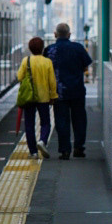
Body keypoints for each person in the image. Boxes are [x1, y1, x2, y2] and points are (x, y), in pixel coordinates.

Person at [46, 21, 93, 160]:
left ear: (55, 34)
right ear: (69, 34)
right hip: (77, 90)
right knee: (79, 120)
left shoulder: (49, 50)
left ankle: (64, 150)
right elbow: (86, 66)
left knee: (61, 120)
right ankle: (79, 148)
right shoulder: (78, 48)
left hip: (58, 92)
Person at [17, 36, 58, 158]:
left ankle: (33, 152)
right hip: (44, 98)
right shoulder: (47, 62)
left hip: (29, 97)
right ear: (42, 48)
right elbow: (52, 81)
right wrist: (53, 96)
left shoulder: (26, 60)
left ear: (30, 48)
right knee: (45, 122)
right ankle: (42, 141)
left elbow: (19, 77)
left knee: (29, 124)